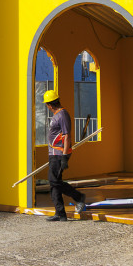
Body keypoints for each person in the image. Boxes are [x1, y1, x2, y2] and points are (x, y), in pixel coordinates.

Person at [43, 89, 86, 221]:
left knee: (54, 181)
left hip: (59, 153)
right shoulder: (57, 115)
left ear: (49, 105)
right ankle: (60, 214)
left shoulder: (62, 115)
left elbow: (67, 136)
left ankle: (78, 197)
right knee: (54, 184)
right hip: (53, 153)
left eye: (46, 105)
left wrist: (64, 157)